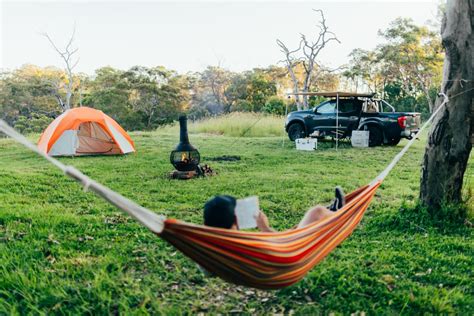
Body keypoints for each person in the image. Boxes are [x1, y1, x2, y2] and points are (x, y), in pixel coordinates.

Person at [203, 187, 345, 232]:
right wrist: (265, 228)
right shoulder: (241, 242)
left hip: (289, 243)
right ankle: (337, 212)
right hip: (291, 251)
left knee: (306, 223)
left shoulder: (212, 248)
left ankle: (331, 211)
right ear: (235, 219)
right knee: (317, 212)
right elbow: (279, 246)